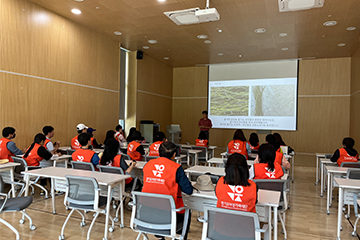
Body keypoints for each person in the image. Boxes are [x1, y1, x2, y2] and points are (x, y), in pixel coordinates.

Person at [142, 141, 193, 240]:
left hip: (146, 214)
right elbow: (188, 190)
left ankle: (160, 237)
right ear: (174, 155)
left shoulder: (147, 165)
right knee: (187, 212)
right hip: (168, 217)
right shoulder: (176, 168)